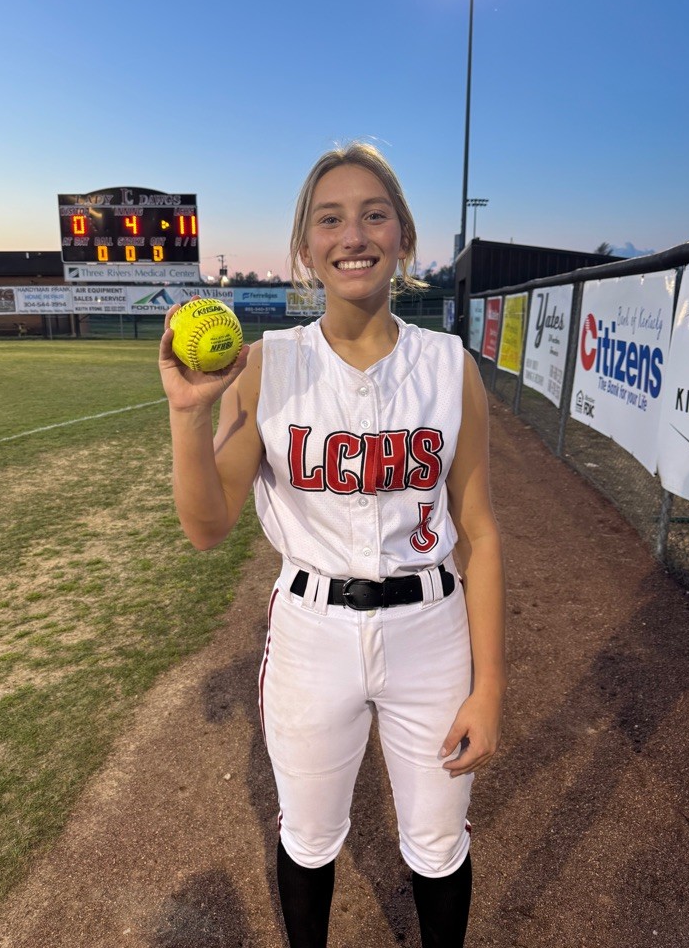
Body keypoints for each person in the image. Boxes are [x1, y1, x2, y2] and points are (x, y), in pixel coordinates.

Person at [159, 142, 506, 948]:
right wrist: (188, 416)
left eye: (374, 214)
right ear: (305, 248)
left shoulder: (449, 367)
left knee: (437, 842)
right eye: (331, 219)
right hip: (312, 631)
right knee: (309, 837)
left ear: (404, 238)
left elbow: (481, 531)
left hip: (431, 630)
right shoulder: (269, 364)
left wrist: (490, 687)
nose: (355, 233)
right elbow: (207, 527)